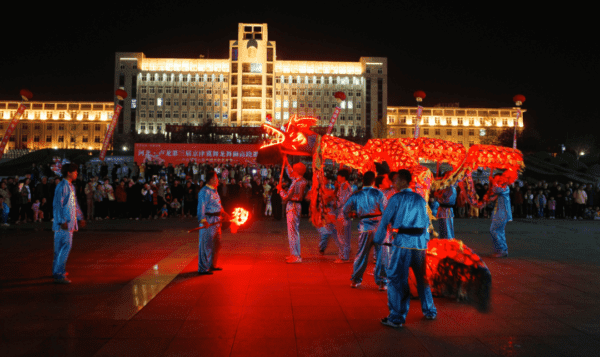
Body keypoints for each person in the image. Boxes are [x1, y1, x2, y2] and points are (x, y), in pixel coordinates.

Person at [374, 169, 436, 327]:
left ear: (402, 181)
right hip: (420, 244)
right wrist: (425, 240)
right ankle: (429, 310)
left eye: (395, 181)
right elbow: (426, 222)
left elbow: (384, 221)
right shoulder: (420, 198)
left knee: (396, 279)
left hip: (403, 244)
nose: (393, 184)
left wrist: (378, 240)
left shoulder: (396, 198)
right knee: (421, 278)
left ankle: (397, 317)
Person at [343, 171, 385, 289]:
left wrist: (350, 216)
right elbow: (385, 210)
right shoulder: (379, 194)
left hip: (364, 227)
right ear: (373, 181)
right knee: (382, 255)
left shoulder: (356, 194)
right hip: (379, 227)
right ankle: (382, 282)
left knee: (361, 254)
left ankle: (356, 280)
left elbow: (345, 209)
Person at [52, 163, 86, 284]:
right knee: (64, 248)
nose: (76, 173)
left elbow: (74, 203)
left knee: (60, 249)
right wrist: (62, 221)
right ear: (69, 173)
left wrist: (80, 216)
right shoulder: (63, 186)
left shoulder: (70, 186)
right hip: (64, 224)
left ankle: (57, 271)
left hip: (66, 222)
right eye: (75, 172)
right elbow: (57, 205)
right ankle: (60, 274)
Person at [278, 162, 308, 263]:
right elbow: (290, 173)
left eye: (294, 170)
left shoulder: (297, 182)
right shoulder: (301, 180)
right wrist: (286, 163)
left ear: (297, 171)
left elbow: (287, 197)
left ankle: (296, 256)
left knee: (293, 232)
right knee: (293, 232)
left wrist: (280, 190)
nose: (292, 172)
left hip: (293, 206)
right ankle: (294, 254)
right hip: (294, 206)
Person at [197, 170, 225, 275]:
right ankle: (203, 268)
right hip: (209, 220)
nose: (217, 180)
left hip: (217, 221)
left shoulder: (214, 190)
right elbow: (201, 207)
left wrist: (223, 212)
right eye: (216, 178)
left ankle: (212, 265)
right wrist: (203, 220)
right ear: (210, 180)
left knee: (217, 244)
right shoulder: (204, 191)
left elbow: (218, 204)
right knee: (206, 245)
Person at [489, 175, 512, 258]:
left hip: (502, 214)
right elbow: (493, 194)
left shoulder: (505, 187)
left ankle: (501, 250)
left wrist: (493, 181)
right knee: (499, 231)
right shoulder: (501, 188)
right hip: (499, 213)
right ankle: (503, 250)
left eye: (498, 179)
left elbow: (496, 189)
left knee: (494, 230)